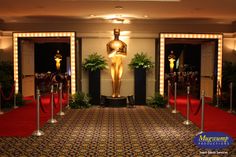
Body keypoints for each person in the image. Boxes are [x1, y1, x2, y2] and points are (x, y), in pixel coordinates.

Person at [107, 29, 127, 97]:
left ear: (119, 33)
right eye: (115, 32)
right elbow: (109, 55)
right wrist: (115, 50)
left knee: (119, 78)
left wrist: (117, 52)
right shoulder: (109, 43)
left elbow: (125, 54)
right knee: (113, 78)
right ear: (113, 33)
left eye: (117, 32)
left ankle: (118, 93)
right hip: (113, 63)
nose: (116, 33)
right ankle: (113, 92)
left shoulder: (123, 43)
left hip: (120, 63)